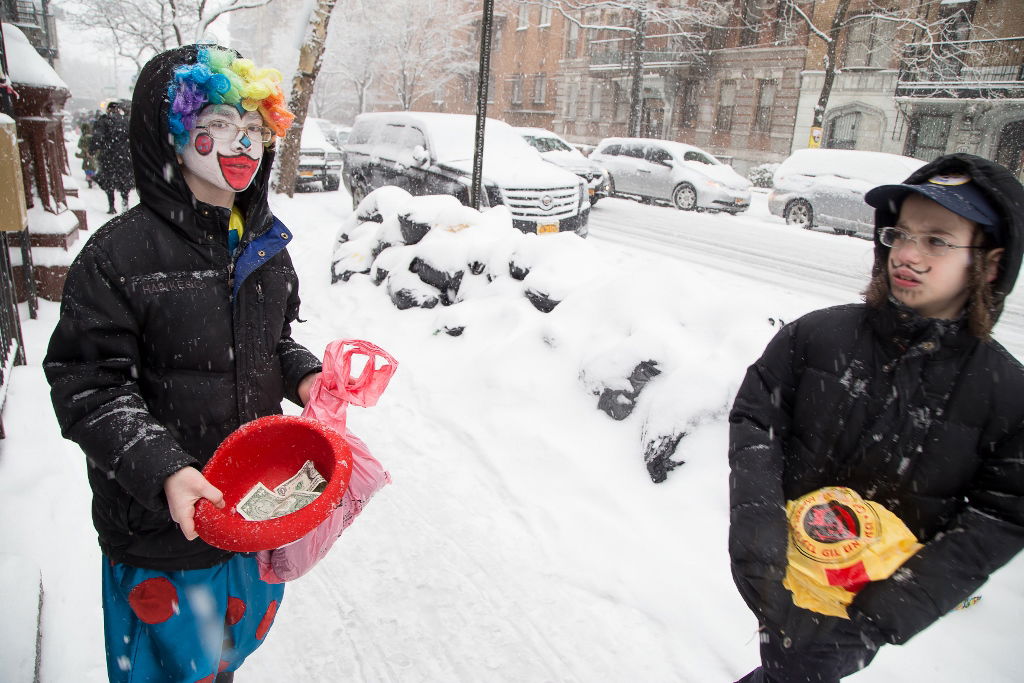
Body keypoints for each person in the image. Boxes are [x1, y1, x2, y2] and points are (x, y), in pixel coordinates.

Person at [44, 44, 322, 682]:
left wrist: (302, 372)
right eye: (221, 124)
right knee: (168, 669)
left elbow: (270, 341)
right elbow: (89, 385)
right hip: (159, 532)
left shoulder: (265, 250)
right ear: (172, 134)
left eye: (253, 127)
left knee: (225, 656)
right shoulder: (119, 256)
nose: (242, 143)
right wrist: (164, 469)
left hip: (246, 511)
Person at [728, 153, 1024, 682]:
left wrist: (875, 620)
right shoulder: (815, 338)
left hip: (863, 616)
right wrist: (759, 546)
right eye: (901, 234)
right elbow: (756, 420)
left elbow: (999, 519)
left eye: (937, 240)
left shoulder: (1008, 396)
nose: (907, 254)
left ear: (991, 264)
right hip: (777, 577)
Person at [90, 100, 135, 213]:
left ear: (109, 109)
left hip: (109, 156)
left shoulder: (105, 120)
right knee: (125, 180)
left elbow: (98, 136)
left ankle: (112, 206)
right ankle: (125, 203)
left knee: (109, 180)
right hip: (126, 157)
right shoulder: (126, 120)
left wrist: (93, 149)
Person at [75, 119, 97, 188]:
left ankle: (89, 178)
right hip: (92, 154)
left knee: (86, 166)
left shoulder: (83, 137)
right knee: (92, 166)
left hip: (85, 154)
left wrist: (85, 150)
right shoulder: (92, 136)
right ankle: (92, 177)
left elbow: (79, 145)